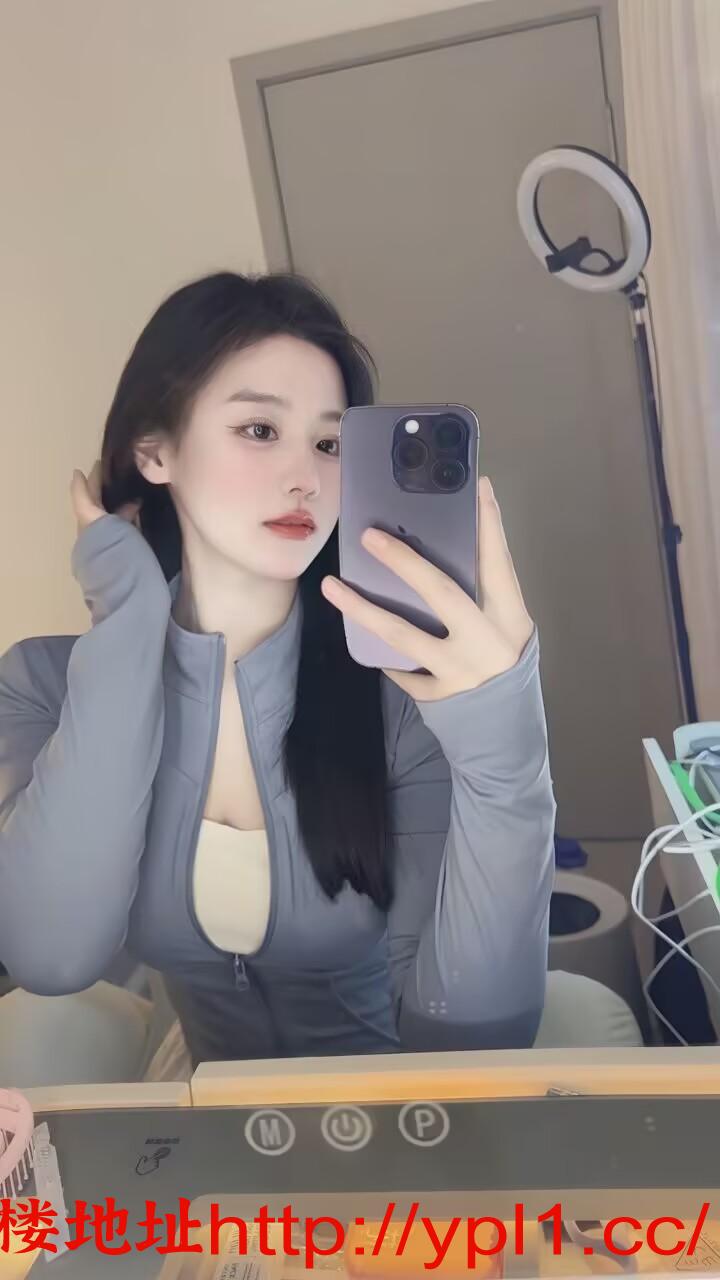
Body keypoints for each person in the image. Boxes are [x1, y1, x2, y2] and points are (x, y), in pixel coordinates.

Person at [0, 271, 556, 1069]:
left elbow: (468, 1043)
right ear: (155, 451)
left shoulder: (403, 696)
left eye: (329, 444)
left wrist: (507, 754)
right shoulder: (41, 687)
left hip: (396, 1109)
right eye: (260, 430)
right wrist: (125, 613)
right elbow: (50, 956)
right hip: (203, 1109)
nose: (306, 478)